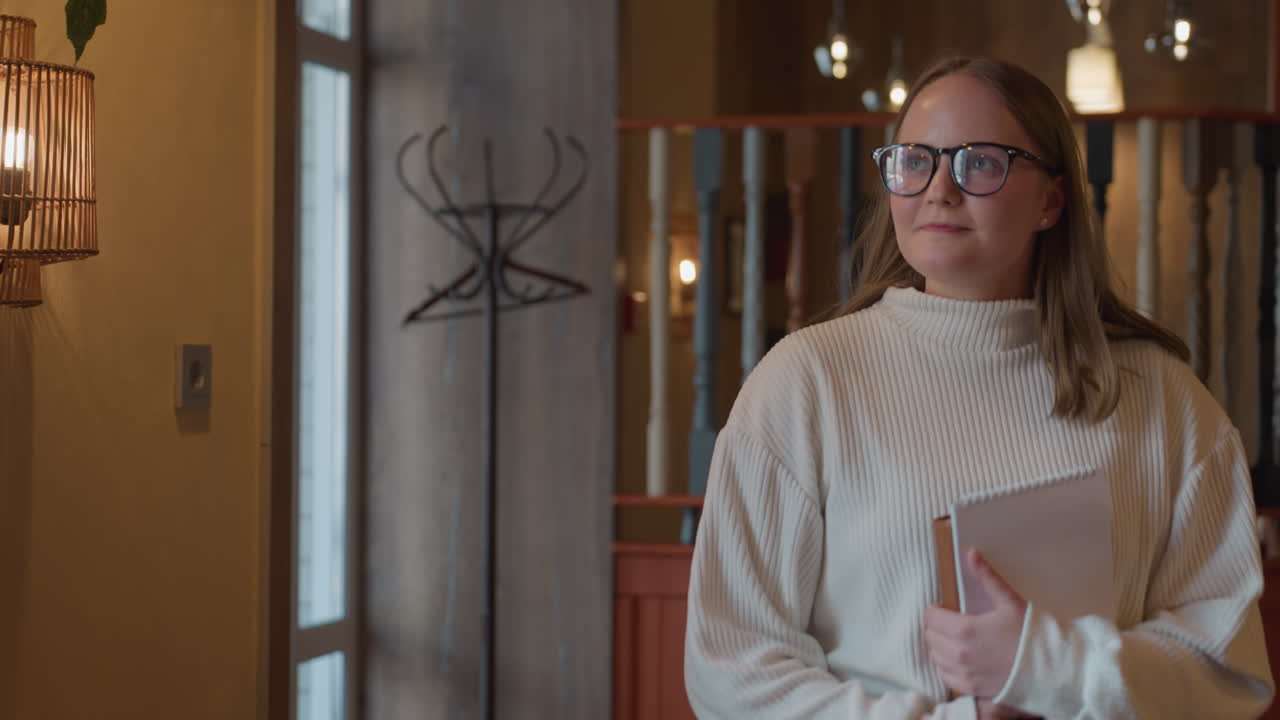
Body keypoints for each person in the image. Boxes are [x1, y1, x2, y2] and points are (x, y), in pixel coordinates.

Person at [683, 56, 1275, 719]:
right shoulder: (805, 382)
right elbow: (729, 671)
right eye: (915, 160)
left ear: (1051, 200)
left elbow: (1229, 675)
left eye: (980, 162)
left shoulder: (1162, 398)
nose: (939, 189)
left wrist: (1046, 667)